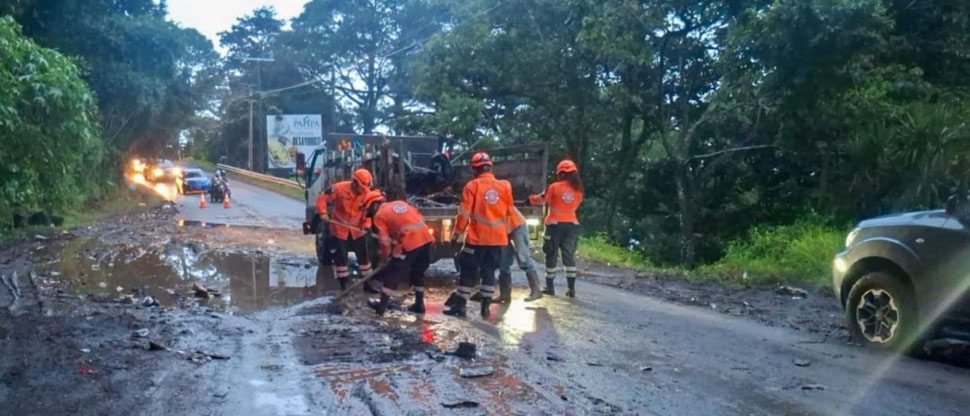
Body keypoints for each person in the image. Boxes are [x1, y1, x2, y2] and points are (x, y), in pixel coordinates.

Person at [444, 152, 515, 318]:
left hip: (477, 239)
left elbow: (464, 214)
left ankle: (460, 306)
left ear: (475, 169)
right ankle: (485, 308)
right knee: (489, 272)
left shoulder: (472, 186)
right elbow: (509, 211)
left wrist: (456, 234)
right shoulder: (505, 186)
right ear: (490, 167)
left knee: (468, 272)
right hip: (498, 239)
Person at [361, 190, 434, 315]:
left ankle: (381, 307)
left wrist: (385, 258)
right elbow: (414, 218)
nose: (372, 215)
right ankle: (419, 304)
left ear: (374, 205)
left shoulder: (379, 215)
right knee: (418, 272)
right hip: (426, 238)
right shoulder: (401, 203)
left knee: (392, 273)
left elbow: (384, 242)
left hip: (410, 241)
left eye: (370, 212)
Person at [529, 160, 584, 297]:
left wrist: (529, 199)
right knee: (569, 257)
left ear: (561, 173)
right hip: (572, 225)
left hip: (555, 225)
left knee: (551, 254)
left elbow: (542, 199)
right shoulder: (579, 190)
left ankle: (550, 287)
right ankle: (571, 289)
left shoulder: (554, 187)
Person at [469, 204, 542, 303]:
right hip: (503, 230)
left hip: (517, 225)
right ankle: (505, 295)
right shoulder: (482, 208)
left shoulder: (491, 203)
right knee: (503, 263)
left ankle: (536, 290)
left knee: (523, 258)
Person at [315, 168, 373, 290]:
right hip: (340, 229)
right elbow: (322, 197)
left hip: (358, 231)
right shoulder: (339, 188)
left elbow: (368, 213)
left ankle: (367, 284)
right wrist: (323, 213)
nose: (361, 191)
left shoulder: (366, 194)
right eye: (360, 187)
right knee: (341, 259)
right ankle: (344, 285)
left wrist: (367, 226)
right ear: (354, 182)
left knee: (364, 259)